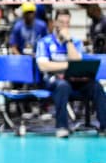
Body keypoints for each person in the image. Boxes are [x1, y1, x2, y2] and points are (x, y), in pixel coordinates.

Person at [35, 9, 106, 138]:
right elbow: (43, 65)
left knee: (96, 86)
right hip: (53, 80)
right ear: (55, 23)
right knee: (62, 86)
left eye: (67, 23)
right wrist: (67, 66)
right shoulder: (44, 42)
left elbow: (77, 62)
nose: (64, 25)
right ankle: (62, 127)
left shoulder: (75, 42)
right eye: (61, 22)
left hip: (74, 80)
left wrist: (68, 41)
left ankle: (104, 127)